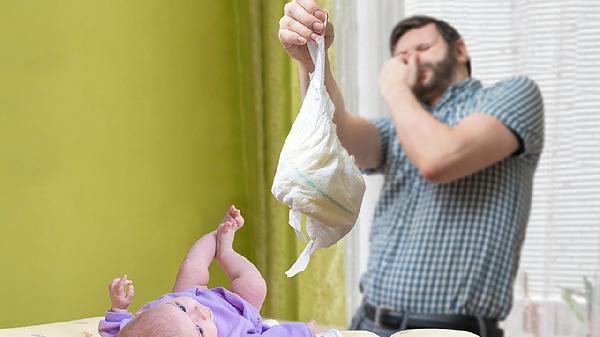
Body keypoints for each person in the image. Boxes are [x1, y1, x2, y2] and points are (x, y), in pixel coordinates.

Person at [278, 2, 544, 337]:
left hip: (449, 331)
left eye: (422, 48)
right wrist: (313, 62)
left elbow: (438, 159)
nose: (410, 61)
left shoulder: (513, 95)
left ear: (460, 50)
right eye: (402, 56)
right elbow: (334, 138)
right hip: (368, 322)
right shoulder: (400, 128)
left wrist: (395, 87)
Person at [98, 205, 316, 337]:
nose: (201, 312)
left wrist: (118, 307)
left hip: (186, 295)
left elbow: (119, 330)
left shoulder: (141, 328)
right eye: (200, 330)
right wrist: (304, 331)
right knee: (255, 287)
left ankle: (219, 232)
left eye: (185, 311)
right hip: (237, 311)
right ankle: (226, 251)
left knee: (193, 266)